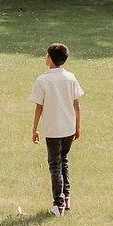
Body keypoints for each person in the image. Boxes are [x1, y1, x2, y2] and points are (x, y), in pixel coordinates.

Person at [28, 42, 83, 215]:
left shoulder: (43, 80)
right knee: (63, 160)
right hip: (69, 128)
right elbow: (77, 104)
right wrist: (78, 126)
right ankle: (66, 197)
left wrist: (34, 129)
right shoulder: (71, 77)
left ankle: (58, 204)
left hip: (53, 130)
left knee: (55, 165)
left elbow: (39, 107)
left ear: (50, 58)